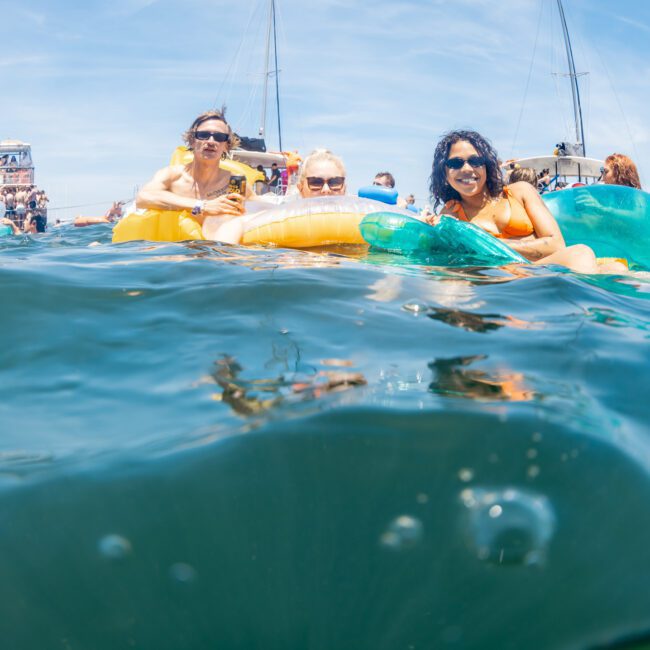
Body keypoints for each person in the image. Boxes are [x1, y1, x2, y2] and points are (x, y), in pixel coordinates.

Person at [428, 129, 601, 273]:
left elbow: (556, 245)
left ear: (486, 165)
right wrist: (433, 232)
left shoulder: (520, 192)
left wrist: (485, 242)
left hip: (542, 272)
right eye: (455, 163)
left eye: (475, 161)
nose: (466, 169)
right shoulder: (451, 215)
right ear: (444, 172)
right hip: (497, 282)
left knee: (593, 258)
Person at [135, 108, 248, 244]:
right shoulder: (173, 175)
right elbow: (143, 198)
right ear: (192, 140)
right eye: (203, 135)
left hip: (219, 253)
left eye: (219, 137)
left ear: (226, 145)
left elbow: (261, 206)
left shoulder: (234, 181)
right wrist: (202, 206)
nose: (211, 141)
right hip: (177, 251)